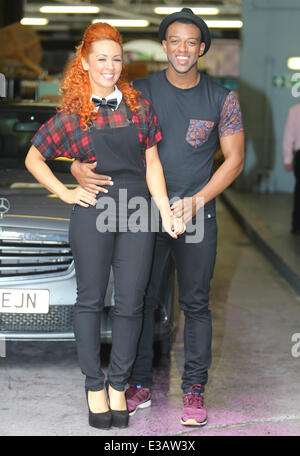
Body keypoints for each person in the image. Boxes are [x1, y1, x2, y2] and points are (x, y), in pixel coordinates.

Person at [71, 8, 244, 427]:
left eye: (191, 42)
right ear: (164, 46)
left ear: (201, 48)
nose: (182, 49)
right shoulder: (137, 93)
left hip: (196, 214)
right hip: (141, 213)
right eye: (174, 41)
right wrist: (78, 168)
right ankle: (140, 383)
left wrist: (197, 199)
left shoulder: (223, 99)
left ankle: (193, 390)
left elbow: (235, 160)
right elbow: (95, 137)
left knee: (196, 303)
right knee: (141, 301)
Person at [25, 22, 185, 430]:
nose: (110, 66)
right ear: (84, 62)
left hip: (137, 212)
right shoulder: (71, 115)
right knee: (90, 300)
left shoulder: (139, 108)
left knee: (132, 302)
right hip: (93, 210)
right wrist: (64, 192)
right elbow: (34, 158)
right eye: (101, 59)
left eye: (116, 59)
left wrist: (165, 210)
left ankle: (119, 384)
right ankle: (94, 386)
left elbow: (152, 164)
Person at [282, 103, 300, 235]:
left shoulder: (294, 110)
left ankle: (297, 225)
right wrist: (287, 158)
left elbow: (289, 136)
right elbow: (289, 136)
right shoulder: (294, 110)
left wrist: (288, 158)